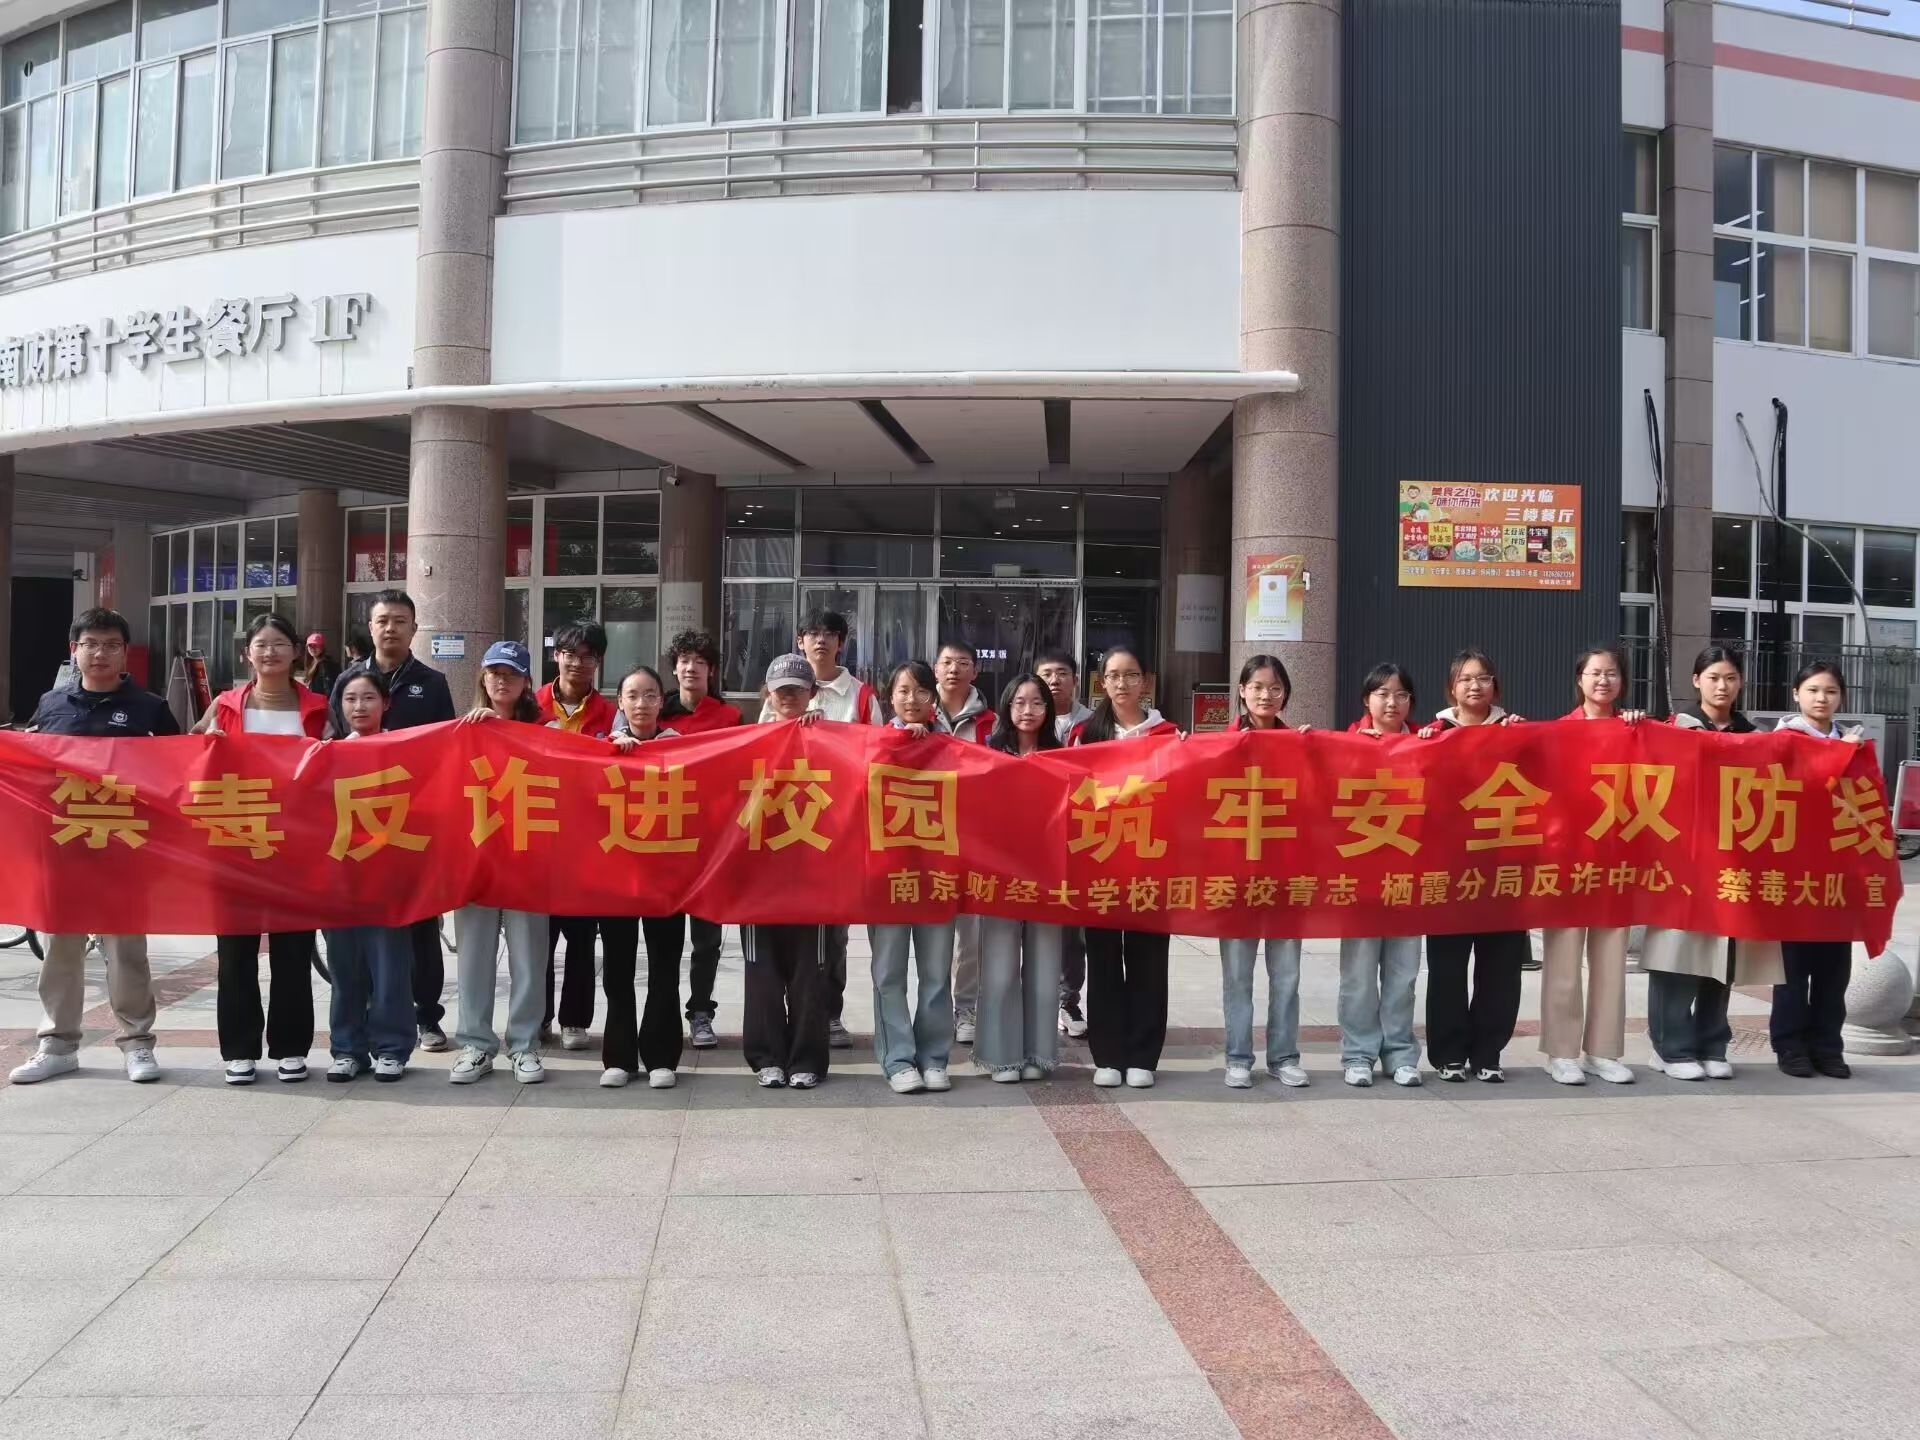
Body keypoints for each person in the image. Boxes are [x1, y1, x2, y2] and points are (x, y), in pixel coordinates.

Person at [7, 608, 178, 1087]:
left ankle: (137, 1043)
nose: (100, 653)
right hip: (63, 848)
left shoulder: (150, 709)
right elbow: (34, 770)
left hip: (124, 848)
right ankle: (58, 1045)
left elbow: (179, 773)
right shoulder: (52, 704)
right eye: (91, 644)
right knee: (60, 949)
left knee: (126, 951)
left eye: (110, 645)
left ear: (125, 653)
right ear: (74, 650)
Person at [194, 613, 331, 1084]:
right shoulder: (225, 705)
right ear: (246, 654)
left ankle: (291, 1048)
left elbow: (341, 762)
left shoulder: (318, 707)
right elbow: (188, 759)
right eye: (261, 645)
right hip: (236, 842)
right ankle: (239, 1050)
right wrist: (206, 745)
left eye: (279, 644)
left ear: (296, 652)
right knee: (235, 952)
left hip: (298, 846)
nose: (270, 652)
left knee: (293, 950)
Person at [1641, 647, 1782, 1082]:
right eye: (1714, 677)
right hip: (1682, 864)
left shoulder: (1755, 738)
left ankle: (1711, 1043)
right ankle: (1670, 1047)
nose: (1723, 686)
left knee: (1723, 959)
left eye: (1731, 678)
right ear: (1696, 680)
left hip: (1733, 864)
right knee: (1677, 957)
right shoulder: (1671, 730)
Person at [328, 591, 457, 1052]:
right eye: (382, 620)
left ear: (414, 628)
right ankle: (365, 1012)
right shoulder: (347, 679)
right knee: (362, 924)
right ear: (371, 626)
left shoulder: (432, 683)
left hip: (411, 822)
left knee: (420, 923)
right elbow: (332, 744)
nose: (390, 628)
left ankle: (428, 1016)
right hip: (358, 822)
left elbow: (445, 750)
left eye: (400, 621)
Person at [759, 609, 881, 1051]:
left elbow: (878, 754)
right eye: (812, 633)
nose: (821, 641)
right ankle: (790, 1014)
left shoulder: (861, 696)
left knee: (834, 932)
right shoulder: (777, 695)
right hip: (786, 831)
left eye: (830, 634)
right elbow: (759, 753)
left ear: (841, 643)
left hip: (840, 831)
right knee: (790, 928)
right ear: (800, 640)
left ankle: (830, 1013)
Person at [1420, 648, 1531, 1081]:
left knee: (1500, 967)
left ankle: (1488, 1053)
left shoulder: (1514, 731)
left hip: (1503, 868)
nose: (1474, 685)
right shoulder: (1432, 734)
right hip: (1448, 871)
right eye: (1465, 678)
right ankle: (1448, 1053)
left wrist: (1526, 739)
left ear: (1495, 687)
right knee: (1447, 967)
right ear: (1452, 688)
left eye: (1483, 678)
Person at [1071, 646, 1178, 1088]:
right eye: (1113, 676)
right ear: (1102, 682)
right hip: (1100, 861)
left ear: (1145, 681)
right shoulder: (1086, 734)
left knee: (1148, 960)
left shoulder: (1168, 734)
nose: (1122, 684)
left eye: (1131, 675)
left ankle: (1143, 1056)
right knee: (1103, 959)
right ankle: (1108, 1055)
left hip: (1151, 862)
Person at [1540, 645, 1643, 1086]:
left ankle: (1603, 1050)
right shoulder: (1558, 732)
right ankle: (1561, 1052)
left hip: (1616, 861)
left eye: (1612, 673)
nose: (1604, 680)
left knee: (1611, 958)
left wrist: (1642, 728)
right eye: (1595, 673)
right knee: (1563, 957)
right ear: (1579, 679)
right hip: (1567, 860)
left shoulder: (1634, 730)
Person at [449, 641, 551, 1085]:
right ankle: (475, 1044)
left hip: (528, 859)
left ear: (526, 682)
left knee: (529, 956)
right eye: (494, 673)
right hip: (477, 858)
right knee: (474, 955)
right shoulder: (463, 731)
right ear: (483, 678)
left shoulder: (545, 731)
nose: (501, 680)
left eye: (510, 674)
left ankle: (525, 1045)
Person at [1217, 654, 1308, 1089]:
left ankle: (1284, 1056)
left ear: (1285, 694)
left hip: (1286, 877)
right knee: (1237, 976)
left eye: (1274, 688)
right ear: (1241, 690)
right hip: (1235, 878)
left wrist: (1315, 752)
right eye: (1256, 686)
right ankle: (1238, 1056)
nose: (1265, 695)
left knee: (1286, 976)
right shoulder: (1221, 745)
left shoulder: (1299, 745)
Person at [868, 661, 957, 1094]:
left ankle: (934, 1057)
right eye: (903, 691)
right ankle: (898, 1059)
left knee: (936, 972)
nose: (911, 699)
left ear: (933, 698)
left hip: (937, 877)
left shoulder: (952, 747)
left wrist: (930, 744)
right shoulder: (873, 745)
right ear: (890, 697)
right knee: (888, 972)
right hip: (887, 877)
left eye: (921, 691)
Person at [1771, 660, 1863, 1080]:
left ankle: (1827, 1047)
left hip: (1838, 876)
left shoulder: (1853, 743)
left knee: (1833, 969)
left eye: (1830, 691)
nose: (1821, 698)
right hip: (1792, 874)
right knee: (1792, 968)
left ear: (1840, 697)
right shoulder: (1780, 741)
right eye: (1812, 690)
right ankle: (1790, 1047)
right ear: (1796, 694)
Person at [323, 669, 415, 1083]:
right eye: (350, 699)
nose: (359, 707)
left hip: (388, 878)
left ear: (386, 703)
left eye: (368, 698)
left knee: (390, 968)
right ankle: (347, 1048)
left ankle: (392, 1048)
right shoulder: (326, 756)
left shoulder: (406, 749)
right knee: (345, 969)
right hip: (340, 878)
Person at [597, 665, 687, 1088]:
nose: (641, 703)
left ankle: (661, 1056)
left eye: (650, 695)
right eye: (632, 695)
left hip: (666, 876)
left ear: (661, 701)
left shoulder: (682, 748)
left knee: (665, 966)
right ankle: (619, 1056)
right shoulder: (601, 749)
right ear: (620, 702)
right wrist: (614, 754)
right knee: (617, 967)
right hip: (617, 876)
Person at [745, 654, 832, 1088]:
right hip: (757, 877)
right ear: (768, 692)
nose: (789, 696)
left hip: (812, 876)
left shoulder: (829, 739)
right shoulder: (746, 741)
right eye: (781, 689)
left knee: (808, 972)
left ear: (812, 692)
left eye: (798, 689)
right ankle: (767, 1057)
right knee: (761, 971)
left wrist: (824, 734)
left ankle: (806, 1060)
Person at [1337, 663, 1423, 1089]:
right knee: (1358, 975)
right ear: (1366, 701)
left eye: (1401, 695)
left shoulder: (1428, 745)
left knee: (1403, 974)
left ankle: (1400, 1054)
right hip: (1361, 879)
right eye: (1383, 694)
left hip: (1408, 878)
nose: (1392, 702)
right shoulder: (1345, 747)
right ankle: (1358, 1054)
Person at [657, 629, 743, 1051]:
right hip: (665, 843)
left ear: (711, 670)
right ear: (674, 669)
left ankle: (701, 1012)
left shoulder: (730, 718)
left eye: (700, 661)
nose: (691, 668)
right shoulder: (658, 713)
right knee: (665, 940)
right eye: (684, 660)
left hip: (711, 845)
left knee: (707, 940)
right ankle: (662, 1013)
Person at [977, 673, 1064, 1083]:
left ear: (1048, 710)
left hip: (1049, 876)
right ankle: (1001, 1056)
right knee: (999, 969)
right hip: (1000, 874)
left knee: (1046, 972)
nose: (1028, 711)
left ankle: (1038, 1054)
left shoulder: (1063, 756)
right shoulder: (988, 753)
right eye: (1020, 702)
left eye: (1037, 703)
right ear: (1007, 707)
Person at [538, 619, 617, 1049]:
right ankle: (539, 1016)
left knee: (582, 938)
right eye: (570, 654)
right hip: (541, 840)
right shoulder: (532, 707)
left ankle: (574, 1021)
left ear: (598, 661)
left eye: (588, 656)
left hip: (588, 845)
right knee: (539, 939)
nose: (578, 663)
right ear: (556, 656)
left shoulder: (611, 713)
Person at [933, 641, 991, 1044]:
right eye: (947, 662)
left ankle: (965, 1007)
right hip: (926, 836)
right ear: (936, 669)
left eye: (963, 663)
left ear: (975, 672)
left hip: (973, 839)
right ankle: (934, 1006)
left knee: (971, 934)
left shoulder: (991, 722)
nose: (954, 669)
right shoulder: (916, 713)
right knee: (933, 935)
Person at [1035, 648, 1092, 1038]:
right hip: (1032, 840)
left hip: (1080, 839)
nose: (1054, 680)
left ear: (1075, 679)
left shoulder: (1094, 723)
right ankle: (1032, 1001)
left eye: (1061, 673)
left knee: (1073, 930)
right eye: (1046, 674)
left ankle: (1067, 1000)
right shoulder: (1023, 719)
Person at [301, 633, 340, 697]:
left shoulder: (327, 665)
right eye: (310, 645)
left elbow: (330, 689)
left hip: (322, 700)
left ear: (322, 647)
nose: (313, 648)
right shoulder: (311, 661)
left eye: (316, 645)